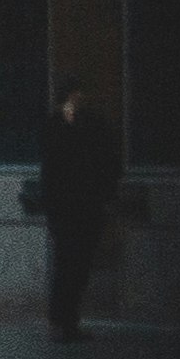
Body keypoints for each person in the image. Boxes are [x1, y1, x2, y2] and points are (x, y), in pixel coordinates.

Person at [31, 79, 118, 342]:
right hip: (68, 206)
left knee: (77, 264)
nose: (77, 101)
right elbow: (54, 164)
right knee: (68, 262)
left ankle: (67, 318)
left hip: (83, 205)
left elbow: (105, 160)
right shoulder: (55, 126)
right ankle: (62, 319)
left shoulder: (91, 124)